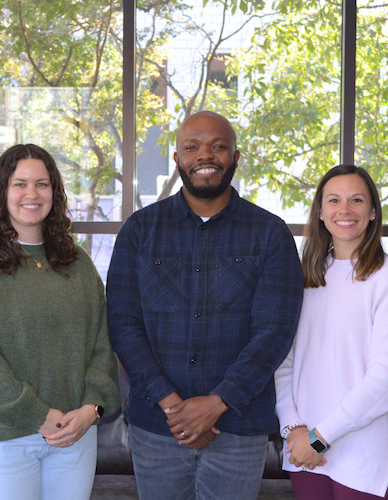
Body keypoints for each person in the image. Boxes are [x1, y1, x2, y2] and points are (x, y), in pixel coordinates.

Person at [106, 110, 304, 500]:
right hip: (157, 424)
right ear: (178, 158)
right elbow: (122, 323)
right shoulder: (139, 231)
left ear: (235, 157)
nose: (205, 155)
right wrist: (174, 406)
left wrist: (217, 403)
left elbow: (275, 331)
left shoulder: (270, 234)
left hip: (239, 425)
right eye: (192, 147)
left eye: (218, 146)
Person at [0, 143, 120, 500]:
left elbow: (103, 343)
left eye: (42, 184)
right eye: (20, 183)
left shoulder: (78, 263)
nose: (31, 194)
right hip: (2, 438)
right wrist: (35, 414)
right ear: (2, 192)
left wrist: (92, 408)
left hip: (74, 434)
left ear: (54, 193)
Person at [274, 164, 388, 500]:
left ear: (372, 212)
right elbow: (284, 360)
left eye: (356, 200)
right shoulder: (307, 276)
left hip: (366, 461)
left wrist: (319, 437)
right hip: (307, 457)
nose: (345, 210)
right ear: (321, 212)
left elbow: (383, 384)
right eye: (334, 200)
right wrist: (293, 428)